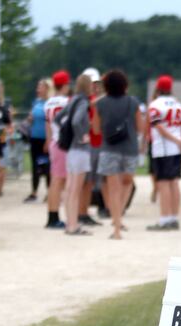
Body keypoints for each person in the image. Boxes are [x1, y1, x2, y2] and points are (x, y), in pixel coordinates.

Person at [93, 69, 143, 240]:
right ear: (125, 85)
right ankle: (118, 218)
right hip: (130, 148)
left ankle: (116, 228)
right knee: (127, 183)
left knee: (113, 189)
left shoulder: (100, 104)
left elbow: (95, 129)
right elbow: (140, 127)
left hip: (109, 148)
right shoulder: (133, 102)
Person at [146, 74, 181, 231]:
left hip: (163, 148)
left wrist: (177, 140)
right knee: (174, 182)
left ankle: (165, 219)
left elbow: (159, 127)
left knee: (163, 183)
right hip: (176, 149)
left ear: (158, 88)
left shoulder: (155, 105)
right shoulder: (178, 104)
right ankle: (174, 217)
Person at [58, 73, 93, 235]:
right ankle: (73, 225)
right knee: (75, 190)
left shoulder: (72, 101)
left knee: (69, 188)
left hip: (71, 150)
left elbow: (58, 118)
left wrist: (67, 134)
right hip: (80, 149)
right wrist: (81, 136)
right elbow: (76, 121)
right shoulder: (83, 102)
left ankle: (69, 224)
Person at [44, 70, 71, 229]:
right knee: (59, 181)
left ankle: (53, 215)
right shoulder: (67, 102)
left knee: (56, 180)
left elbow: (48, 125)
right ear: (65, 85)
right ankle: (54, 216)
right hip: (63, 143)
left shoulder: (49, 102)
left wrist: (48, 142)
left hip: (54, 141)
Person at [79, 67, 104, 227]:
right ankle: (81, 212)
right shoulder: (84, 101)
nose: (95, 86)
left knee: (90, 182)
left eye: (96, 83)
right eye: (92, 83)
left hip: (96, 143)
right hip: (89, 144)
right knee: (85, 182)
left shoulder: (93, 99)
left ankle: (84, 212)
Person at [24, 78, 51, 202]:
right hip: (35, 139)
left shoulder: (50, 103)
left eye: (40, 87)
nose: (37, 89)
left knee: (46, 166)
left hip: (46, 139)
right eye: (38, 87)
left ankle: (49, 192)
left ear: (47, 88)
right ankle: (34, 192)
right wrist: (29, 119)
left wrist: (48, 140)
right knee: (35, 166)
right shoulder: (36, 102)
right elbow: (31, 118)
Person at [0, 81, 13, 197]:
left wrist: (9, 133)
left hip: (1, 135)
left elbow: (9, 124)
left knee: (2, 163)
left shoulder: (4, 107)